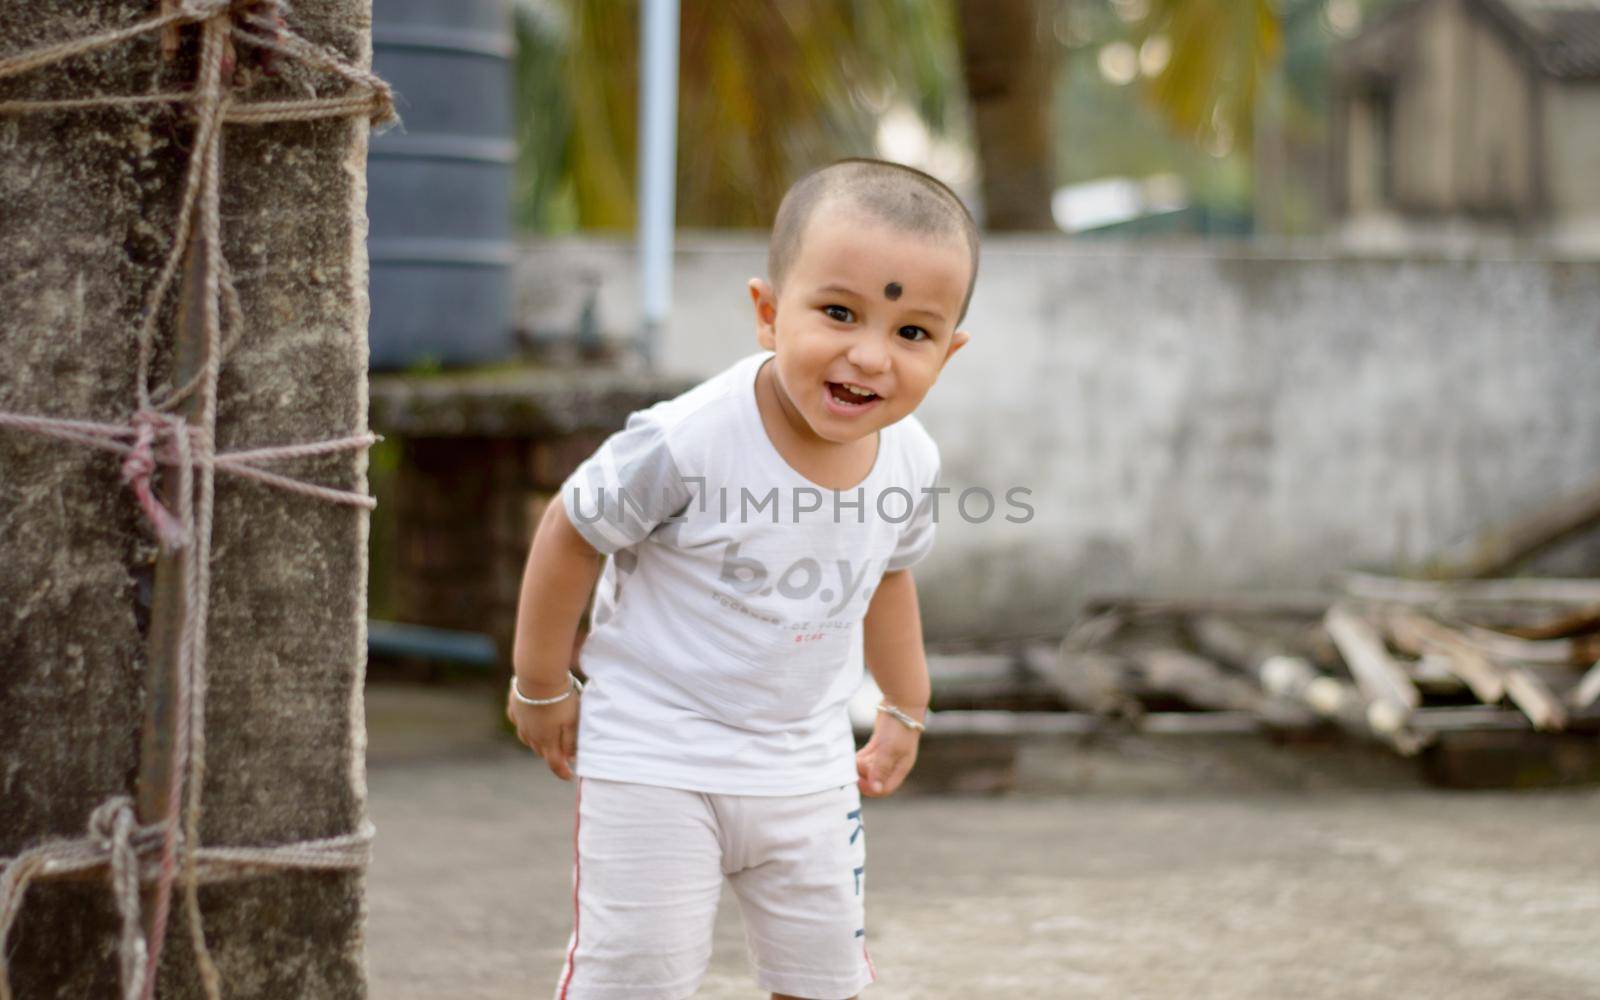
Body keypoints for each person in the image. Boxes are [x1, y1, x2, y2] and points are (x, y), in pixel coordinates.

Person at [506, 157, 977, 1000]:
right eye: (839, 313)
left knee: (825, 982)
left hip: (805, 769)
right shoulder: (686, 441)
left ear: (949, 351)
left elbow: (889, 576)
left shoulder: (910, 457)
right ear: (767, 313)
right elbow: (571, 531)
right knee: (636, 981)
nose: (870, 355)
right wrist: (541, 684)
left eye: (912, 333)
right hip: (656, 756)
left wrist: (906, 704)